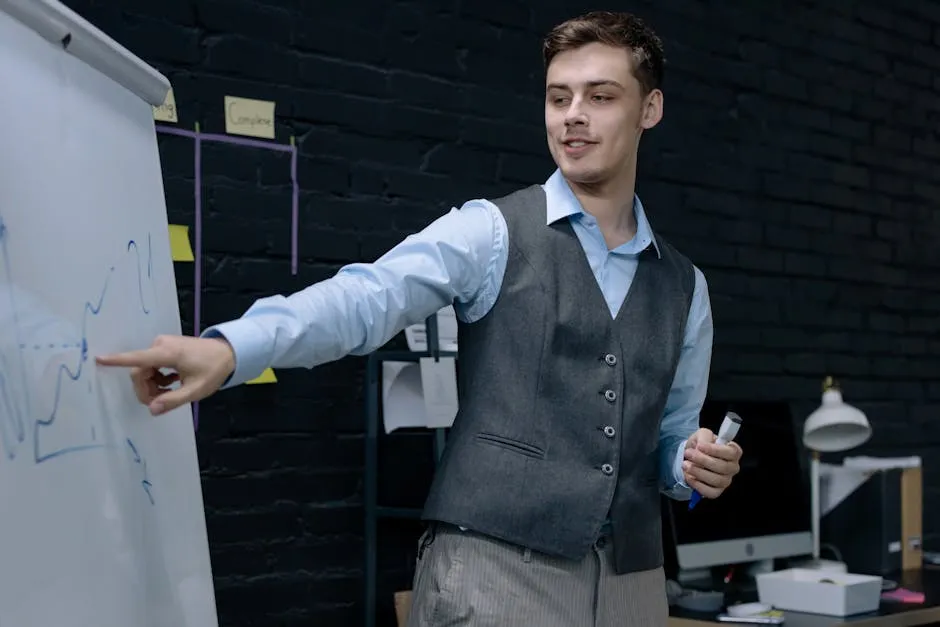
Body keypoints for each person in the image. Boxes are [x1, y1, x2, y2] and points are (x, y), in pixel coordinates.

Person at [97, 10, 743, 627]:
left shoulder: (687, 287)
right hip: (494, 573)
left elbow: (669, 445)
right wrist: (234, 348)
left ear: (649, 109)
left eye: (600, 96)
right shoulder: (490, 232)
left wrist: (691, 463)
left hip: (633, 583)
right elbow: (366, 297)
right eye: (557, 97)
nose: (573, 116)